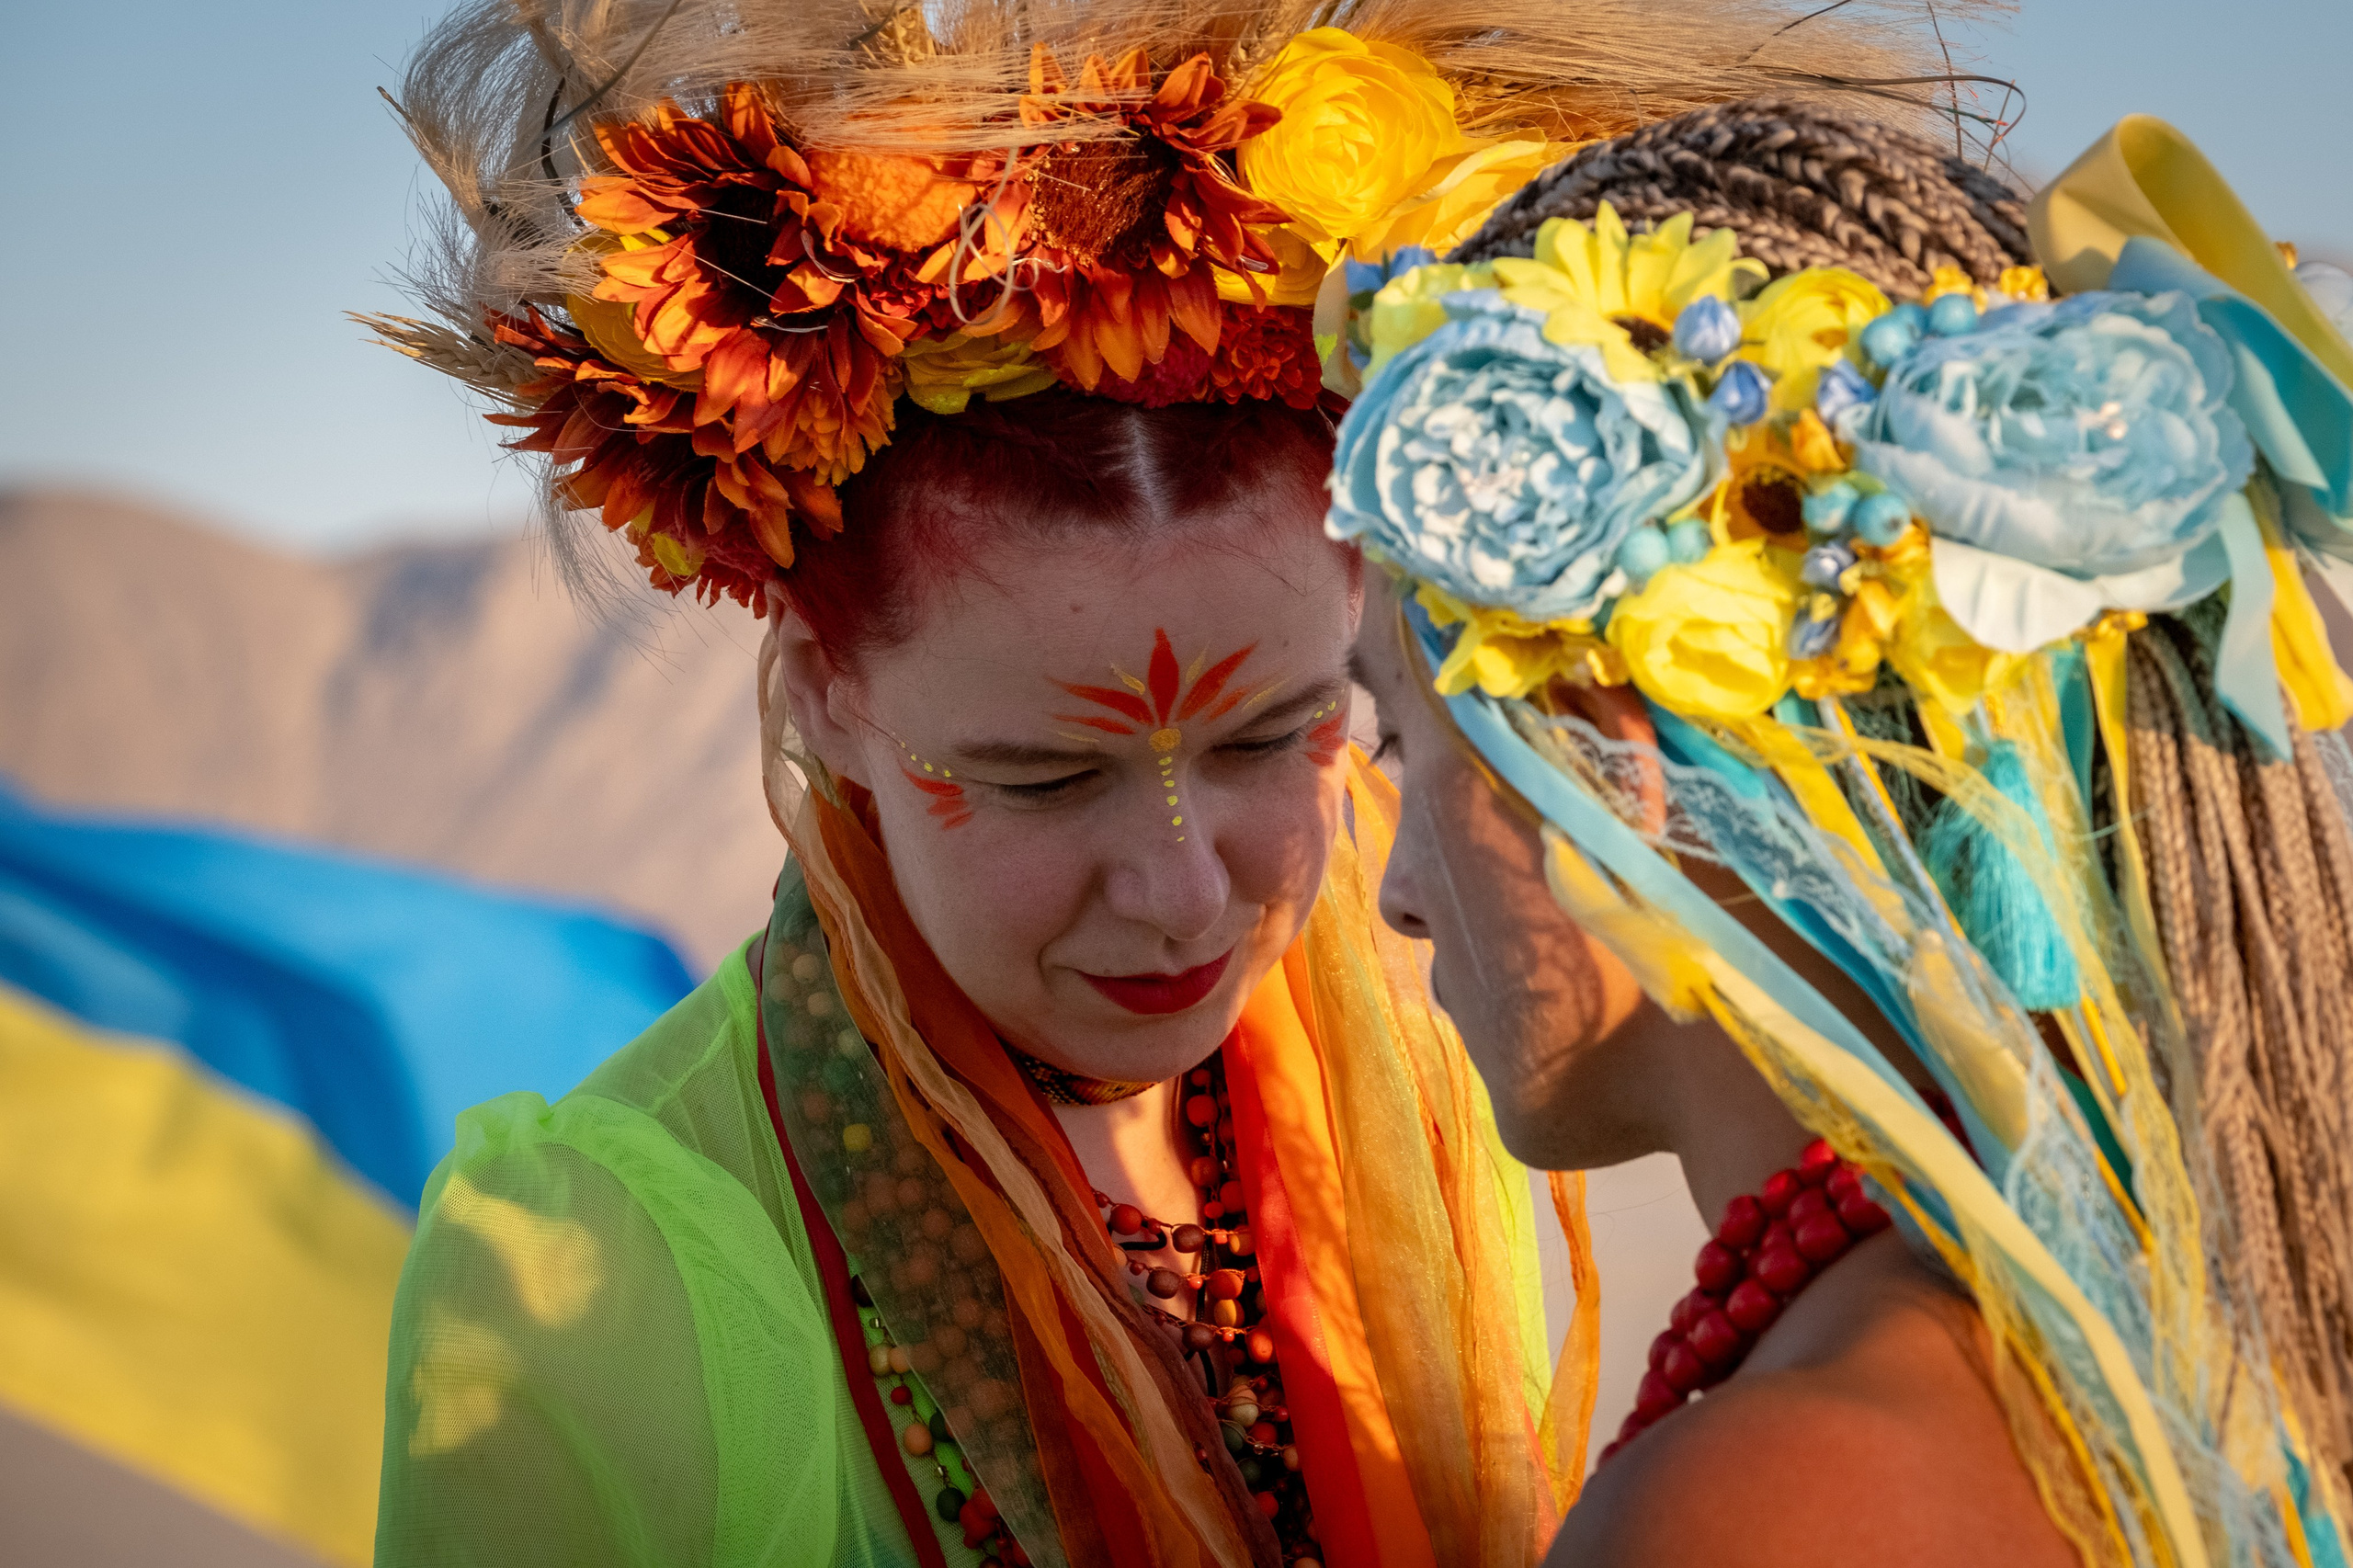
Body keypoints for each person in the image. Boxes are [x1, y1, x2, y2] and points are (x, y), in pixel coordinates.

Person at [357, 1, 1966, 1562]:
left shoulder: (1434, 1030)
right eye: (1051, 779)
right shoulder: (595, 1273)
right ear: (827, 697)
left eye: (1278, 734)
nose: (1190, 890)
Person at [1333, 98, 2353, 1566]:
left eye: (1402, 738)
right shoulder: (2201, 1329)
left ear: (1617, 759)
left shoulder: (1779, 1498)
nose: (1400, 893)